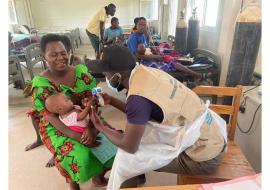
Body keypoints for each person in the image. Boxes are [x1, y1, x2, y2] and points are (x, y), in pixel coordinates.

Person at [86, 45, 227, 189]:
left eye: (106, 74)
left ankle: (129, 184)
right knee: (137, 138)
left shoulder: (137, 98)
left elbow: (129, 146)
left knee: (126, 157)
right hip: (213, 134)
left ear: (117, 76)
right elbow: (139, 113)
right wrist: (112, 101)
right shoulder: (147, 72)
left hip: (203, 155)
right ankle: (133, 181)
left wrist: (100, 127)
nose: (105, 77)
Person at [28, 34, 115, 190]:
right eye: (53, 54)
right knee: (76, 156)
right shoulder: (41, 84)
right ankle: (73, 184)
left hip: (87, 117)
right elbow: (49, 117)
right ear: (44, 56)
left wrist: (91, 128)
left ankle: (98, 176)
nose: (60, 58)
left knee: (112, 145)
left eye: (63, 53)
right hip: (57, 126)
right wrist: (76, 136)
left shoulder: (81, 72)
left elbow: (94, 100)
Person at [45, 93, 112, 186]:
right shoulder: (69, 116)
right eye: (66, 100)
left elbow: (82, 110)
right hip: (81, 133)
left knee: (110, 138)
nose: (69, 99)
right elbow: (81, 116)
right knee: (84, 155)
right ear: (60, 109)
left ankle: (99, 175)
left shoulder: (72, 108)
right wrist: (89, 107)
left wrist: (85, 105)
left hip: (89, 127)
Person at [137, 43, 204, 79]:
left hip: (154, 62)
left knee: (173, 61)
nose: (144, 48)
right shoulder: (143, 56)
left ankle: (195, 75)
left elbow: (157, 56)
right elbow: (139, 56)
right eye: (142, 48)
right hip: (152, 67)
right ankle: (197, 75)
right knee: (173, 63)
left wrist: (155, 51)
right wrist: (158, 56)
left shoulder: (147, 49)